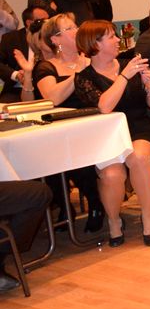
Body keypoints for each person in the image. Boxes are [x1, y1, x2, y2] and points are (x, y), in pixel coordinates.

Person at [74, 20, 150, 247]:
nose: (117, 40)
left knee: (139, 158)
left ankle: (148, 217)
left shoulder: (128, 65)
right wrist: (124, 76)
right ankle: (114, 221)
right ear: (95, 44)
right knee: (111, 175)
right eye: (111, 36)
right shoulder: (84, 78)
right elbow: (104, 106)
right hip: (106, 138)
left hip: (138, 129)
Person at [31, 14, 104, 233]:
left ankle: (96, 203)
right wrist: (79, 74)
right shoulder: (46, 67)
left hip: (94, 125)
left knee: (78, 151)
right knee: (49, 155)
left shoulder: (91, 60)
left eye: (75, 26)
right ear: (55, 39)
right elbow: (52, 97)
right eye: (70, 28)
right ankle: (66, 205)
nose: (77, 30)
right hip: (62, 130)